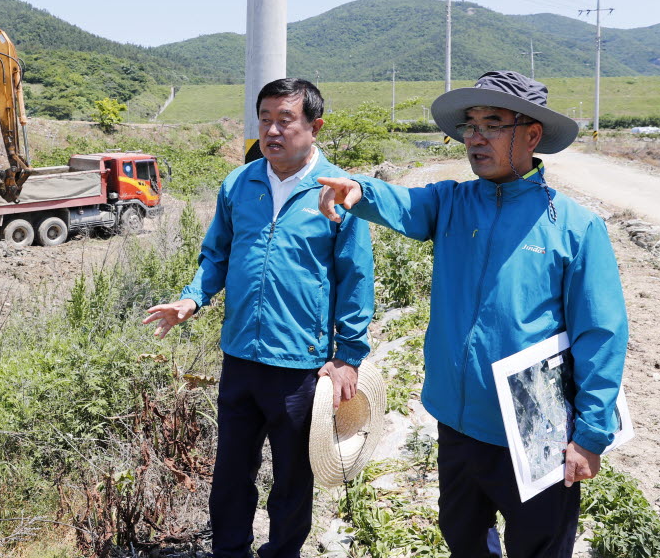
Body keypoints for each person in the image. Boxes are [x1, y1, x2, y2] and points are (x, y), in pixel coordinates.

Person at [317, 70, 628, 558]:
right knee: (464, 538)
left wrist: (590, 436)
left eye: (493, 123)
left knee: (540, 546)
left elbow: (602, 334)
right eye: (470, 124)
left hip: (536, 430)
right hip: (458, 424)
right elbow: (403, 203)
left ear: (531, 135)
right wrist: (360, 191)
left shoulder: (574, 226)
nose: (475, 137)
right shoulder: (451, 202)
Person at [144, 77, 375, 558]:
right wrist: (191, 299)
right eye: (265, 119)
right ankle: (230, 550)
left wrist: (349, 355)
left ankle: (282, 552)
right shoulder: (239, 182)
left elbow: (356, 278)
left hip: (300, 365)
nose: (272, 130)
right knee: (231, 471)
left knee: (293, 477)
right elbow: (217, 256)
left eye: (285, 120)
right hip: (241, 357)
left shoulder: (337, 191)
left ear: (315, 126)